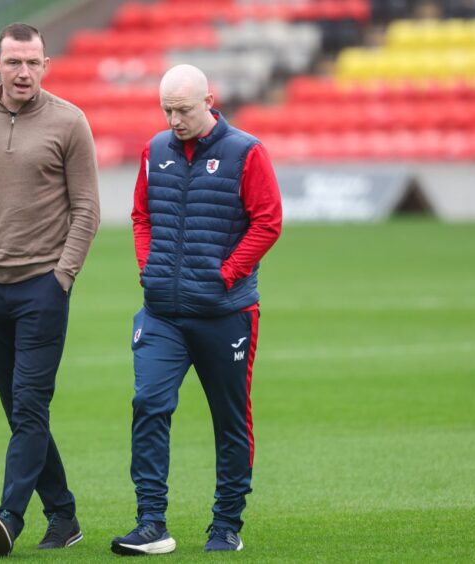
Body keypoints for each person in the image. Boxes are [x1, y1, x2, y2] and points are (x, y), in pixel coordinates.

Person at [111, 64, 282, 555]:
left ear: (209, 99)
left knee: (229, 419)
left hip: (226, 313)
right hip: (162, 311)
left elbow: (268, 222)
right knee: (148, 404)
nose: (173, 119)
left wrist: (225, 275)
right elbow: (141, 214)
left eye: (182, 109)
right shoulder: (155, 150)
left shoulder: (246, 152)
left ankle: (226, 524)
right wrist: (149, 267)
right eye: (166, 109)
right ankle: (150, 523)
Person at [0, 22, 100, 557]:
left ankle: (9, 515)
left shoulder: (69, 122)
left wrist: (63, 277)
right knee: (21, 413)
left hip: (42, 289)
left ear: (45, 65)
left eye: (33, 62)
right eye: (14, 62)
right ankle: (64, 516)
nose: (24, 72)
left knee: (30, 407)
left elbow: (87, 208)